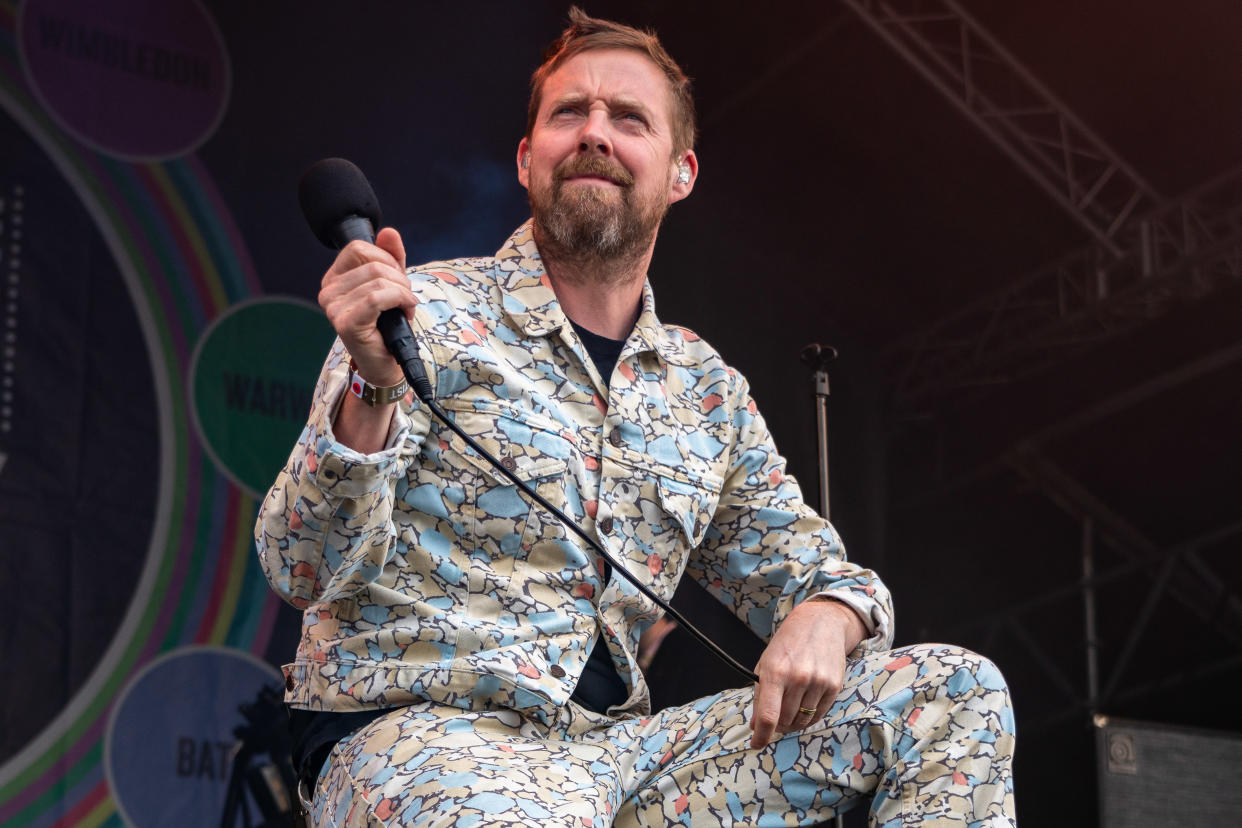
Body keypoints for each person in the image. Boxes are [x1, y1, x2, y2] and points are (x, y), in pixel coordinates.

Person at [256, 8, 1016, 826]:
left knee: (952, 693)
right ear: (525, 159)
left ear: (681, 171)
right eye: (567, 114)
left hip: (620, 761)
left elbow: (813, 570)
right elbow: (301, 568)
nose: (594, 134)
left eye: (628, 118)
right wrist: (373, 389)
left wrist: (828, 614)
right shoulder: (418, 315)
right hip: (430, 746)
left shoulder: (704, 391)